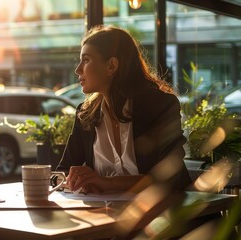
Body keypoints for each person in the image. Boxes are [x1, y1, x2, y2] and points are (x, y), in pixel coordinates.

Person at [57, 25, 191, 194]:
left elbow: (169, 175)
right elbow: (61, 171)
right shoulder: (86, 114)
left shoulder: (160, 106)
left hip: (165, 214)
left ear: (112, 66)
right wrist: (71, 179)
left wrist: (106, 182)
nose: (78, 69)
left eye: (86, 60)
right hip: (105, 214)